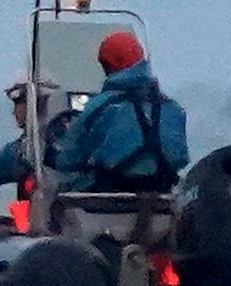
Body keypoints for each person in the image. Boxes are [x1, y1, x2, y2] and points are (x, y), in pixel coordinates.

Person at [47, 30, 189, 191]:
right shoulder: (173, 108)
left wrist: (53, 155)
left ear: (107, 66)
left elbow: (68, 160)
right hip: (161, 195)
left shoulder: (99, 107)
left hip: (105, 200)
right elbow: (181, 158)